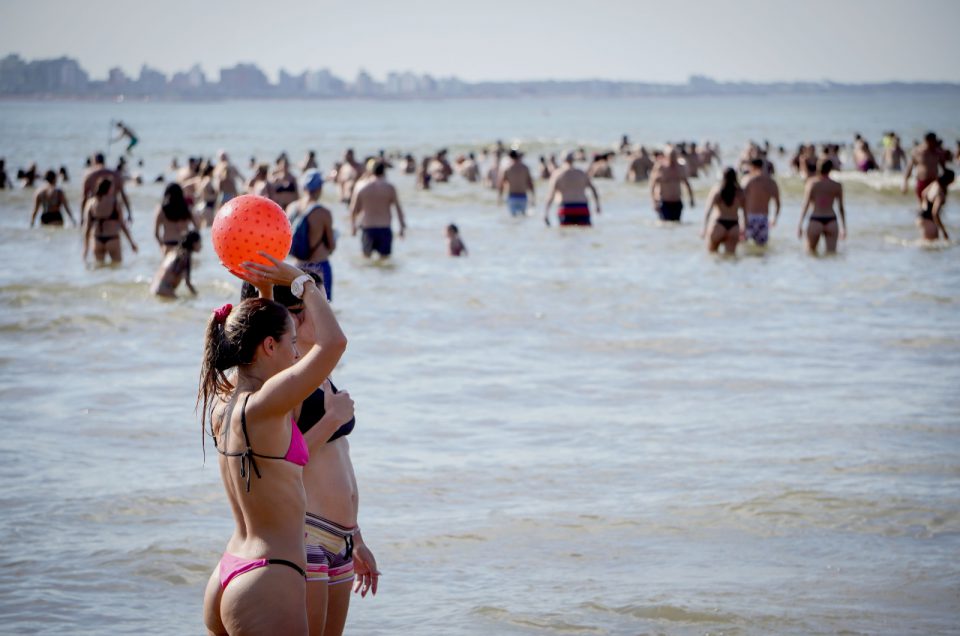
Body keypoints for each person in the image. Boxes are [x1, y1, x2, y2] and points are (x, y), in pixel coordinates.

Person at [199, 255, 347, 636]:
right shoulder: (267, 405)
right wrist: (302, 282)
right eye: (292, 343)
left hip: (231, 568)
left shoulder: (225, 402)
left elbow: (279, 349)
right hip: (268, 577)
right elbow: (334, 343)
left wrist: (266, 288)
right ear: (268, 346)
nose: (298, 353)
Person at [239, 274, 378, 636]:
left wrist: (357, 536)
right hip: (308, 534)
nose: (329, 314)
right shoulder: (291, 384)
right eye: (321, 305)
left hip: (342, 539)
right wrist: (332, 419)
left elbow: (340, 460)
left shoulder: (325, 378)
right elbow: (285, 460)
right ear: (294, 316)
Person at [287, 171, 336, 301]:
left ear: (303, 188)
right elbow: (331, 245)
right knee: (324, 309)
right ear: (320, 188)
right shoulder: (323, 212)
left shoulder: (292, 208)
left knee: (297, 310)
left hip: (297, 266)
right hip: (319, 266)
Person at [350, 161, 406, 258]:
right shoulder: (389, 188)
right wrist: (401, 227)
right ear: (384, 172)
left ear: (371, 171)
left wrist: (353, 227)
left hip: (368, 228)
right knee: (384, 260)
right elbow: (398, 209)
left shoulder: (361, 187)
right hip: (384, 228)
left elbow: (353, 210)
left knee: (366, 259)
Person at [83, 178, 138, 264]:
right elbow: (122, 225)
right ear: (109, 189)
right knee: (117, 268)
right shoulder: (115, 202)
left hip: (97, 239)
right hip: (112, 239)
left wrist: (85, 248)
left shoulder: (90, 203)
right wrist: (131, 242)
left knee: (99, 270)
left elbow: (87, 227)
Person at [798, 159, 847, 254]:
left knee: (810, 254)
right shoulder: (837, 185)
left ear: (818, 168)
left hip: (816, 219)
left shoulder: (812, 183)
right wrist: (844, 227)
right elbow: (841, 207)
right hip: (831, 220)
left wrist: (800, 224)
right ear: (830, 169)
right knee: (831, 254)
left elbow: (806, 205)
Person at [543, 152, 601, 227]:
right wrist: (597, 205)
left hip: (565, 208)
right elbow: (593, 189)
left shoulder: (557, 174)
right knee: (584, 235)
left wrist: (546, 213)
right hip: (582, 207)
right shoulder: (581, 173)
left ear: (562, 160)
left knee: (565, 235)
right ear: (573, 160)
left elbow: (550, 195)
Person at [700, 168, 745, 254]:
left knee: (712, 256)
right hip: (734, 225)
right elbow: (745, 212)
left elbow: (708, 211)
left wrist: (704, 228)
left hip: (718, 224)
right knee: (730, 257)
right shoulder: (740, 192)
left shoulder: (717, 190)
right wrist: (744, 228)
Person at [82, 152, 133, 222]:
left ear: (93, 162)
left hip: (96, 209)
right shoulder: (115, 174)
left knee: (95, 232)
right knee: (113, 232)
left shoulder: (89, 176)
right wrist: (129, 213)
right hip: (113, 209)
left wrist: (82, 217)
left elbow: (84, 198)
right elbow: (123, 195)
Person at [742, 158, 781, 246]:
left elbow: (740, 198)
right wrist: (775, 218)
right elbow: (778, 203)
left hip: (749, 218)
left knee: (743, 246)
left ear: (752, 167)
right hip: (763, 218)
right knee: (761, 248)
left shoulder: (748, 180)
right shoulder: (771, 182)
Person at [151, 231, 201, 298]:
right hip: (166, 289)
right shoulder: (186, 257)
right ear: (194, 243)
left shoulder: (174, 251)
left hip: (154, 287)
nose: (201, 246)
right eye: (200, 242)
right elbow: (187, 283)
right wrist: (197, 296)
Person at [650, 147, 694, 222]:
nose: (673, 158)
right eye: (671, 155)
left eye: (674, 155)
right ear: (666, 156)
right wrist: (654, 202)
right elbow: (653, 184)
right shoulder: (661, 167)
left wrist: (691, 199)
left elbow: (687, 184)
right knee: (666, 224)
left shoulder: (680, 168)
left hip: (677, 202)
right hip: (664, 202)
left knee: (676, 224)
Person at [154, 183, 200, 254]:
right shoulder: (187, 209)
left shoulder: (162, 210)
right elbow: (197, 227)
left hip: (168, 245)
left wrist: (161, 245)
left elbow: (156, 233)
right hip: (184, 245)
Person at [903, 132, 947, 203]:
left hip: (933, 182)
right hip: (921, 181)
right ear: (927, 140)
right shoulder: (918, 151)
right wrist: (905, 182)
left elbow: (944, 168)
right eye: (933, 141)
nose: (935, 143)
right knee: (923, 208)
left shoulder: (938, 152)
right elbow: (910, 167)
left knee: (933, 207)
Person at [917, 169, 954, 241]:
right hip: (928, 220)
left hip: (922, 216)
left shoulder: (934, 183)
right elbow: (935, 213)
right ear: (949, 180)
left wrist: (924, 206)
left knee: (929, 245)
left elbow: (923, 193)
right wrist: (944, 231)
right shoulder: (940, 194)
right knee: (931, 246)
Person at [498, 150, 535, 217]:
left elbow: (501, 184)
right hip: (523, 196)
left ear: (510, 157)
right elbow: (530, 183)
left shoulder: (507, 169)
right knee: (523, 217)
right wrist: (533, 196)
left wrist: (500, 197)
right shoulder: (525, 168)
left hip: (512, 196)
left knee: (513, 218)